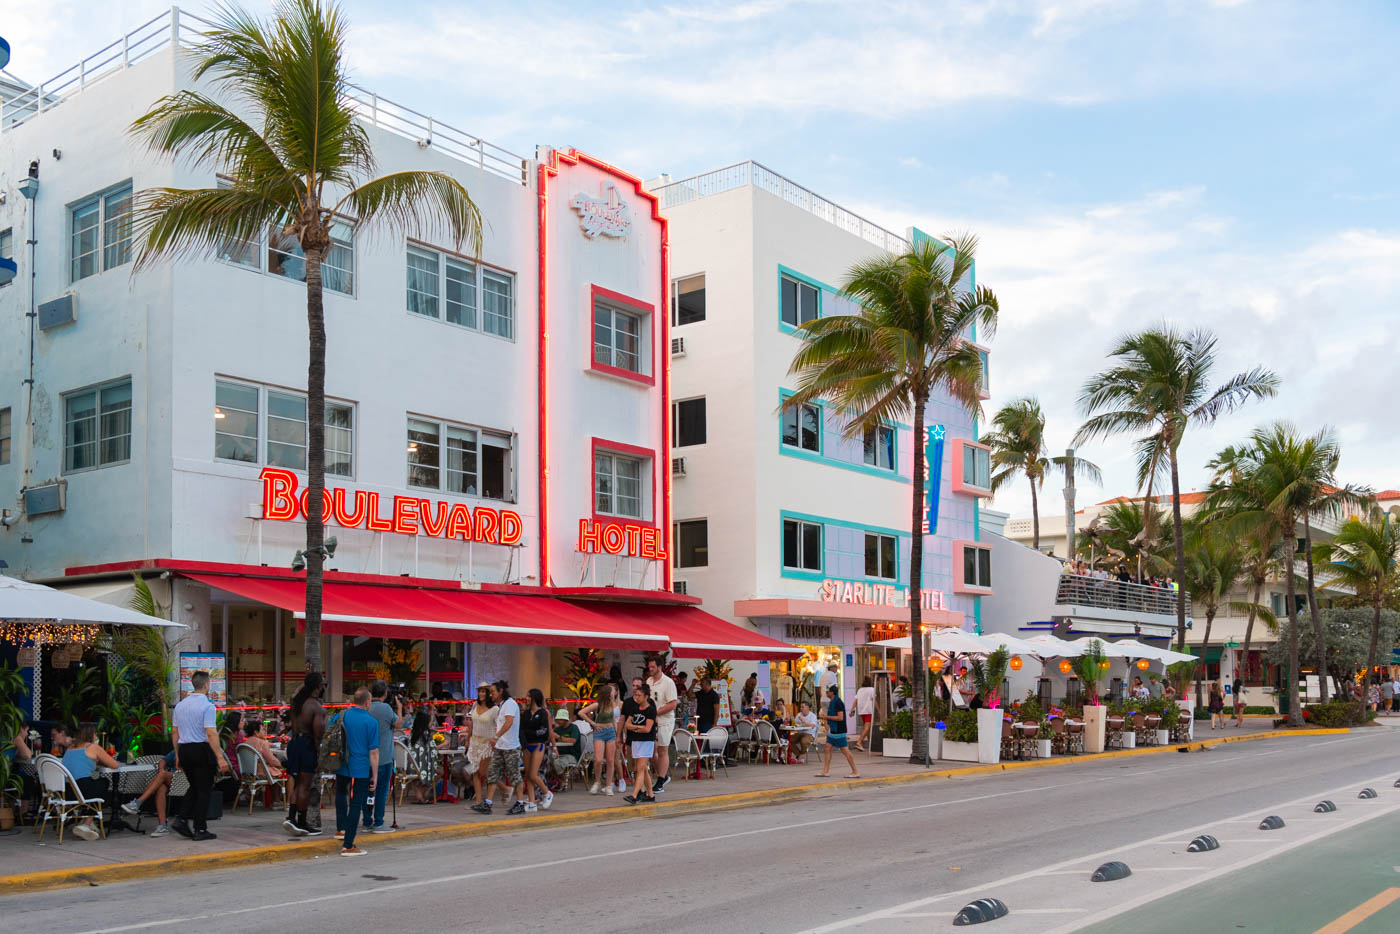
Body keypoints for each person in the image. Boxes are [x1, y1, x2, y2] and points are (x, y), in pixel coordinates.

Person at [170, 671, 230, 841]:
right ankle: (200, 828)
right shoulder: (208, 706)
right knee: (204, 789)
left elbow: (175, 732)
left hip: (184, 748)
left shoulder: (180, 705)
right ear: (207, 685)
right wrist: (219, 757)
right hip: (201, 749)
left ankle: (182, 819)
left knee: (195, 786)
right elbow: (211, 732)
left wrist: (177, 754)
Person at [333, 688, 380, 857]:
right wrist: (375, 775)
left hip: (341, 764)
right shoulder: (371, 722)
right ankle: (348, 845)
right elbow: (373, 752)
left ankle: (341, 829)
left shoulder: (341, 715)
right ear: (367, 702)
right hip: (360, 767)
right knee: (355, 804)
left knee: (340, 794)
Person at [284, 672, 327, 836]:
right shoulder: (316, 707)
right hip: (306, 745)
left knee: (296, 783)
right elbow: (318, 735)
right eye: (323, 684)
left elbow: (297, 690)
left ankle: (291, 817)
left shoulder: (296, 701)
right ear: (318, 687)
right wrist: (318, 755)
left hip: (293, 743)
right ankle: (302, 821)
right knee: (305, 785)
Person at [62, 724, 121, 840]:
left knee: (95, 785)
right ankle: (87, 823)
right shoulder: (93, 747)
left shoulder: (70, 747)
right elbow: (114, 765)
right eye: (95, 733)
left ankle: (86, 822)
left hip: (66, 790)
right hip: (82, 789)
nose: (96, 736)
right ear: (91, 734)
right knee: (104, 783)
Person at [474, 680, 522, 815]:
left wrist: (496, 736)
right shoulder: (502, 705)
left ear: (501, 691)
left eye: (493, 692)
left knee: (514, 776)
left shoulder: (510, 704)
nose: (491, 695)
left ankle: (520, 803)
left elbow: (509, 722)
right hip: (500, 746)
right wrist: (497, 739)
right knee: (492, 774)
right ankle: (487, 803)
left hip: (511, 746)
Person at [362, 680, 402, 833]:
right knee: (381, 790)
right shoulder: (385, 708)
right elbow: (398, 724)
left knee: (367, 790)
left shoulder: (367, 707)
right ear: (385, 694)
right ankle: (378, 821)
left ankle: (367, 820)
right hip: (384, 757)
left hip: (367, 757)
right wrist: (399, 708)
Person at [645, 656, 678, 795]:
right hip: (652, 721)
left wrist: (656, 712)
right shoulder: (648, 681)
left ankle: (660, 780)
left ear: (659, 667)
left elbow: (673, 703)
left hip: (665, 721)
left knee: (662, 750)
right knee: (651, 753)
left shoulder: (668, 682)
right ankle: (663, 775)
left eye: (652, 667)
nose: (650, 669)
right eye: (649, 667)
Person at [121, 751, 175, 836]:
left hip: (183, 779)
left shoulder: (194, 748)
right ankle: (163, 826)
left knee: (163, 775)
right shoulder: (178, 748)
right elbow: (163, 760)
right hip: (170, 779)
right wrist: (161, 769)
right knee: (161, 788)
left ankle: (138, 802)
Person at [579, 683, 618, 796]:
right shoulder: (598, 705)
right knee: (598, 760)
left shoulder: (612, 704)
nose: (614, 693)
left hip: (610, 731)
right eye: (612, 691)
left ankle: (608, 785)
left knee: (610, 760)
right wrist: (593, 723)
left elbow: (614, 720)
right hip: (599, 732)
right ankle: (597, 781)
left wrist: (617, 734)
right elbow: (581, 712)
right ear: (607, 693)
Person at [519, 688, 554, 813]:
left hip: (538, 745)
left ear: (535, 698)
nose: (526, 698)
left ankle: (547, 792)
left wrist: (530, 733)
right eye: (526, 696)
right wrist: (524, 742)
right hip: (527, 746)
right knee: (528, 775)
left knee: (534, 774)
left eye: (529, 696)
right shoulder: (526, 714)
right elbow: (521, 730)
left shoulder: (543, 713)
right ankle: (532, 802)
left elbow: (544, 731)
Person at [622, 682, 657, 805]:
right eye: (635, 695)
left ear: (646, 696)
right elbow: (627, 724)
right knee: (643, 769)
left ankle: (635, 795)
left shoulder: (651, 710)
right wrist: (637, 727)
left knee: (640, 768)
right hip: (636, 741)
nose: (636, 698)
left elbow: (648, 729)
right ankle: (651, 794)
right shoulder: (634, 708)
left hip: (646, 741)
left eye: (639, 695)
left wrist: (634, 727)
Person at [463, 683, 497, 806]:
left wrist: (496, 738)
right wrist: (467, 739)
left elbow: (500, 725)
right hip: (474, 742)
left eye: (484, 691)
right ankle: (478, 800)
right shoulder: (475, 705)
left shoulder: (495, 709)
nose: (481, 694)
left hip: (487, 744)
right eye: (479, 691)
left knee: (484, 772)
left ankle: (503, 789)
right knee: (475, 772)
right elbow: (472, 723)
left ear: (488, 693)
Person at [814, 686, 859, 779]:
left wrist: (826, 717)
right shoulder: (832, 702)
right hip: (833, 731)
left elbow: (840, 718)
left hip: (839, 730)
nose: (826, 693)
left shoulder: (838, 702)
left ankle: (855, 771)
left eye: (828, 691)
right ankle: (825, 771)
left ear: (832, 692)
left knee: (845, 751)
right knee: (827, 748)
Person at [405, 710, 437, 804]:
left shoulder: (412, 733)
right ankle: (420, 791)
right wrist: (444, 744)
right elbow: (432, 749)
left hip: (410, 766)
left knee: (416, 779)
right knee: (440, 772)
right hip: (421, 768)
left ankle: (419, 793)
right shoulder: (426, 734)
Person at [550, 709, 581, 781]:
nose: (558, 721)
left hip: (572, 755)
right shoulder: (557, 729)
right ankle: (558, 780)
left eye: (560, 719)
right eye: (558, 719)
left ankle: (561, 781)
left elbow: (573, 741)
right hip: (559, 754)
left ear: (566, 719)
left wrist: (559, 737)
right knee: (547, 761)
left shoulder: (574, 728)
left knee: (556, 763)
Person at [852, 676, 876, 752]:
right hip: (868, 710)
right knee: (867, 728)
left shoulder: (860, 690)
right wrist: (879, 710)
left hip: (861, 711)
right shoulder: (872, 690)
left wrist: (852, 709)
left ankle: (870, 744)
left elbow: (856, 700)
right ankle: (859, 742)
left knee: (867, 729)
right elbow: (874, 701)